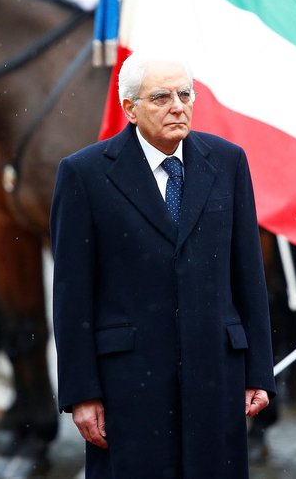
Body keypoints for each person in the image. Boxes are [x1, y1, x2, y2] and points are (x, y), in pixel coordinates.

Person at [50, 52, 276, 478]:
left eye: (185, 94)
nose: (178, 105)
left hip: (215, 377)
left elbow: (248, 276)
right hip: (128, 386)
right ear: (130, 108)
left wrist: (259, 370)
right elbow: (71, 297)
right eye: (161, 97)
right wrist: (82, 393)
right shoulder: (84, 174)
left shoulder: (227, 162)